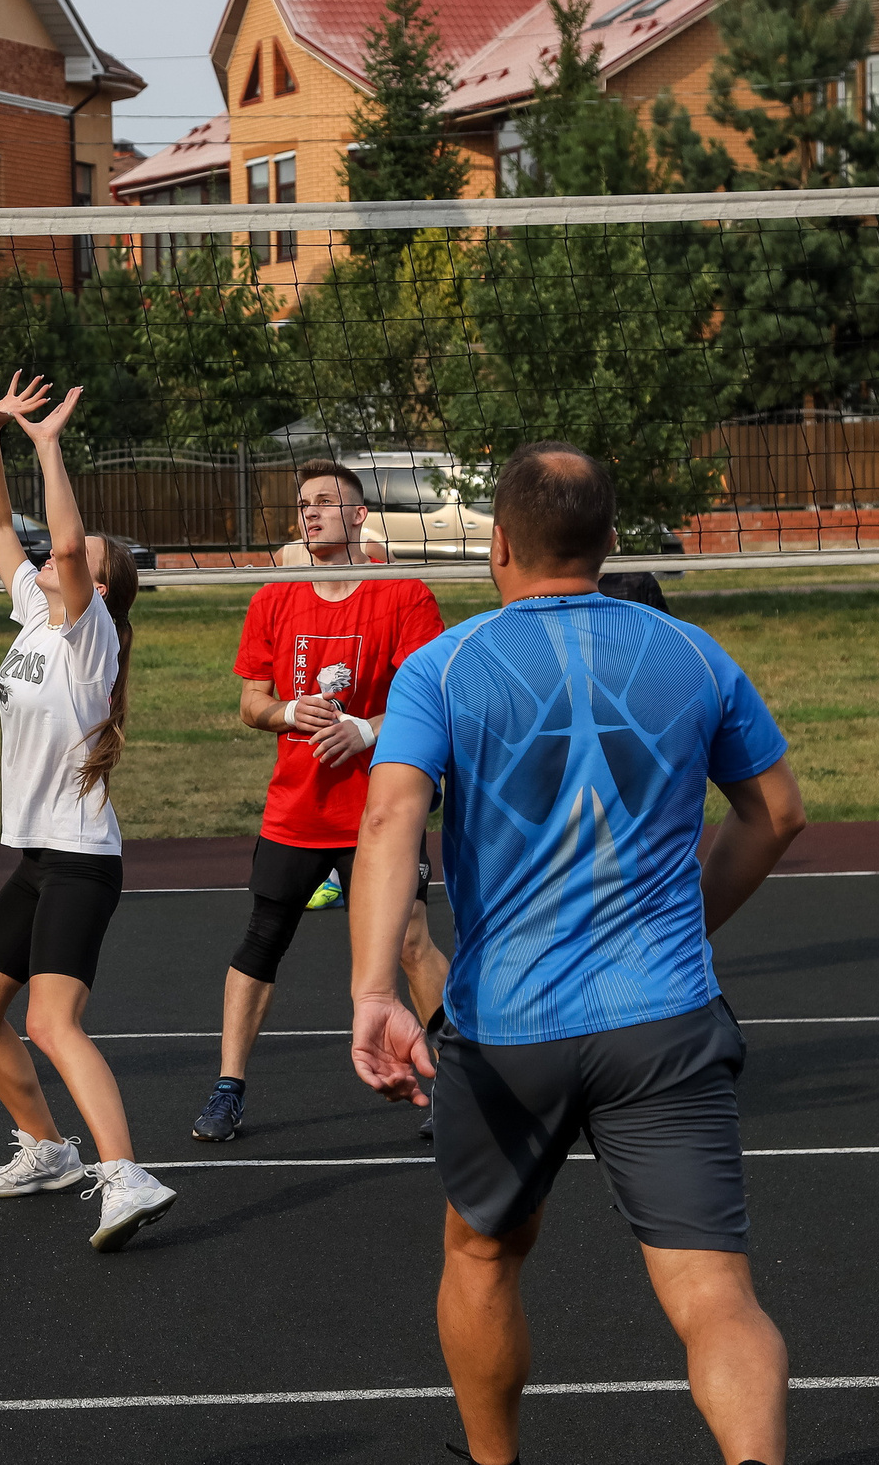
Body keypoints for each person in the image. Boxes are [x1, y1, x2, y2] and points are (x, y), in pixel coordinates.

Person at [348, 442, 803, 1465]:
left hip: (507, 1026)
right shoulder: (694, 654)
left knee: (482, 1254)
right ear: (608, 541)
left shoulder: (442, 666)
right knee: (714, 1292)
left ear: (498, 545)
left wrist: (374, 989)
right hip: (664, 1017)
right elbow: (776, 814)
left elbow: (387, 821)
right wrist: (683, 922)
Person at [0, 372, 176, 1254]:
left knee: (49, 1020)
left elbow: (68, 541)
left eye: (78, 562)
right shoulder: (34, 615)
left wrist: (49, 445)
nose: (54, 556)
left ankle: (126, 1174)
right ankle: (48, 1149)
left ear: (97, 587)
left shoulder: (87, 632)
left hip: (81, 857)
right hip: (40, 855)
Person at [193, 461, 449, 1145]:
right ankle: (227, 1090)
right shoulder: (273, 598)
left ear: (359, 516)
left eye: (327, 502)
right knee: (262, 938)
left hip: (379, 810)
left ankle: (460, 1083)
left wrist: (367, 729)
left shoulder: (403, 595)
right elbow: (251, 702)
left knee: (409, 939)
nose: (310, 512)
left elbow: (433, 703)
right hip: (297, 809)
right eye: (304, 503)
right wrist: (287, 711)